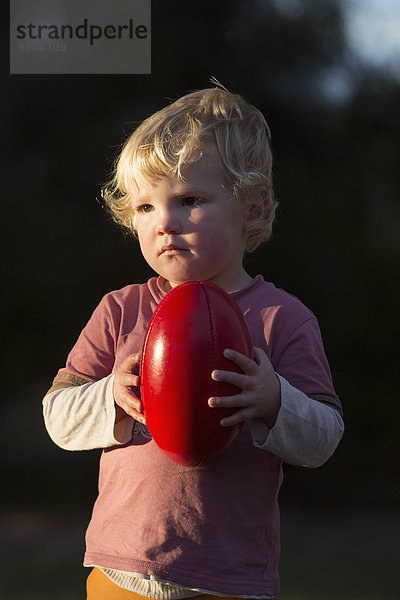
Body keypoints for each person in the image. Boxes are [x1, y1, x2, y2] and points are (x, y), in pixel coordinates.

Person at [43, 83, 344, 600]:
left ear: (253, 207)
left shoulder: (283, 319)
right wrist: (108, 395)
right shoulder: (121, 310)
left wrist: (275, 400)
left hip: (230, 579)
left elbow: (323, 438)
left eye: (189, 200)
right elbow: (56, 416)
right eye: (144, 207)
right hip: (123, 570)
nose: (165, 223)